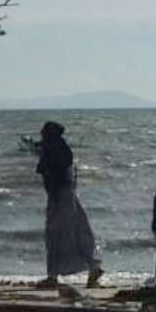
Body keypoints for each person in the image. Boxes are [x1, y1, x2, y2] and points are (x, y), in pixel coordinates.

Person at [36, 121, 103, 288]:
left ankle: (53, 277)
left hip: (58, 197)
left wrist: (55, 198)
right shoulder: (64, 151)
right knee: (78, 233)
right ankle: (93, 265)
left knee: (55, 237)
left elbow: (49, 175)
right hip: (68, 195)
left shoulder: (51, 150)